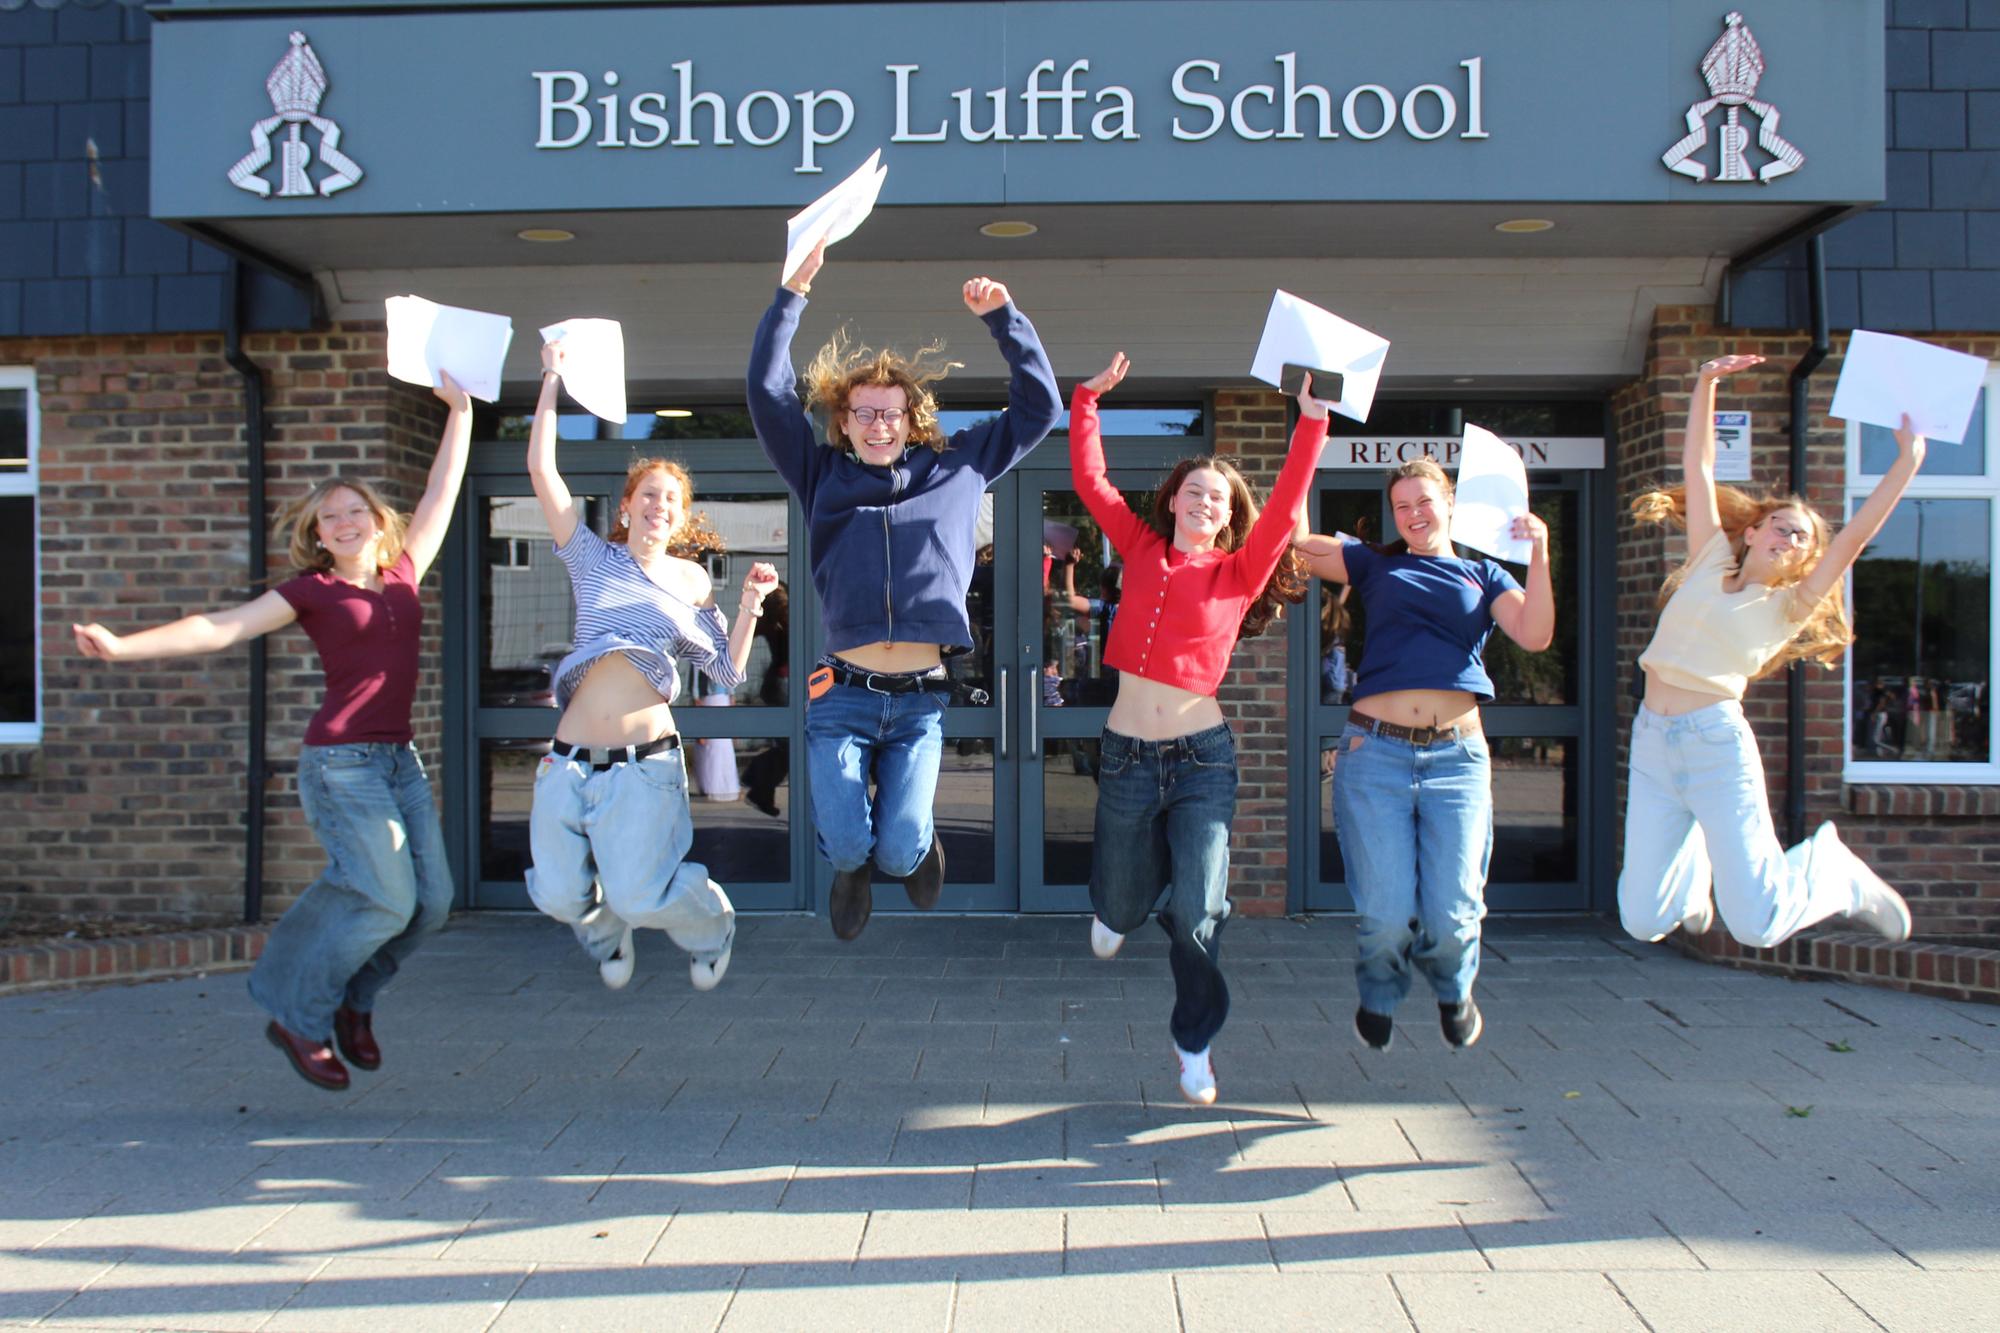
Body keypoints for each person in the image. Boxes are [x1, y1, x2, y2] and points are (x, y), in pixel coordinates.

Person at [72, 374, 476, 1092]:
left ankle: (356, 1000)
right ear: (318, 535)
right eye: (331, 518)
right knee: (384, 896)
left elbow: (443, 489)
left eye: (356, 511)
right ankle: (300, 1015)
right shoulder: (310, 592)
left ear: (379, 521)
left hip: (398, 763)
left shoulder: (406, 572)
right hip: (341, 764)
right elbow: (219, 627)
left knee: (432, 902)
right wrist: (124, 644)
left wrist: (463, 413)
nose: (345, 522)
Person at [747, 237, 1060, 940]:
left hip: (919, 699)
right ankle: (851, 867)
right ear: (844, 421)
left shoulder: (959, 467)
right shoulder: (820, 473)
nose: (879, 424)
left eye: (891, 412)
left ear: (911, 418)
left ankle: (911, 851)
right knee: (851, 844)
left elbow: (1039, 408)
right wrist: (789, 295)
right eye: (864, 412)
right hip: (844, 695)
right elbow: (768, 396)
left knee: (900, 843)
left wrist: (1005, 318)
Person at [1072, 352, 1322, 1105]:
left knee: (1198, 906)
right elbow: (1091, 482)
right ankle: (1116, 911)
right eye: (1195, 491)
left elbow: (1283, 504)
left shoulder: (1238, 574)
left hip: (1202, 760)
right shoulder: (1140, 547)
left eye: (1219, 497)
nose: (1206, 502)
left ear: (1228, 514)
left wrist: (1312, 419)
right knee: (1119, 902)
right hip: (1125, 755)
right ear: (1173, 499)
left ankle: (1195, 1041)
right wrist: (1087, 400)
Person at [1619, 354, 1920, 949]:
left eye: (1802, 537)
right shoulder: (1708, 559)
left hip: (1716, 746)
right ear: (1754, 530)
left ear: (1806, 559)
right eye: (1781, 525)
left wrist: (1907, 460)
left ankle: (1832, 872)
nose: (1789, 537)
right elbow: (1698, 468)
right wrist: (1705, 381)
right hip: (1653, 741)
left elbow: (1855, 535)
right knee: (1643, 921)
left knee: (1757, 925)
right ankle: (1692, 875)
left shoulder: (1790, 605)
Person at [524, 340, 777, 992]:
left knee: (643, 895)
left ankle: (710, 924)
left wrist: (748, 605)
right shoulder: (590, 559)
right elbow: (543, 472)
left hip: (645, 766)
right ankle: (604, 933)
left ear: (680, 515)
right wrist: (550, 379)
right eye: (649, 493)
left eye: (672, 498)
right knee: (556, 895)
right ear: (627, 504)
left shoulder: (691, 580)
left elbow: (724, 670)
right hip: (568, 761)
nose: (659, 504)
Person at [1294, 453, 1554, 1054]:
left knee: (1454, 913)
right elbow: (1298, 544)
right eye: (1401, 506)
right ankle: (1380, 994)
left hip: (1456, 760)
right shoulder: (1374, 563)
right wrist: (1311, 442)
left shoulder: (1485, 577)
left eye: (1424, 501)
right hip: (1375, 754)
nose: (1413, 514)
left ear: (1450, 504)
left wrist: (1538, 551)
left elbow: (1536, 634)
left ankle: (1454, 990)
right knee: (1385, 914)